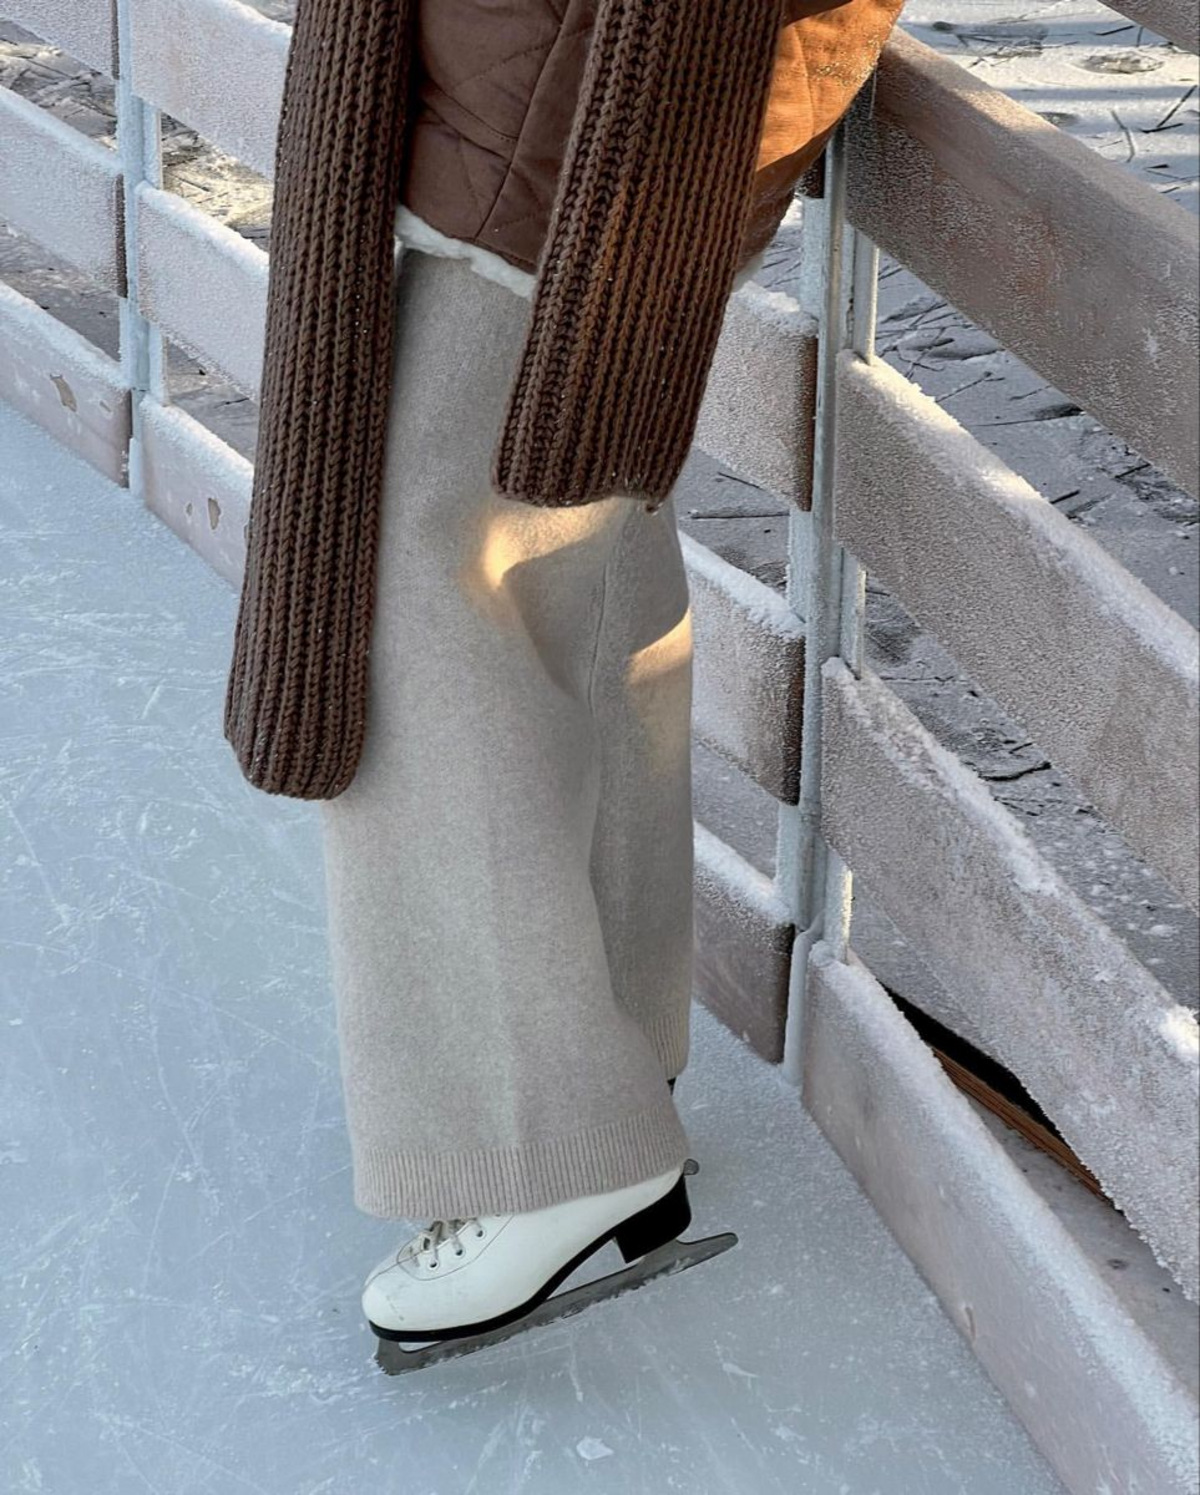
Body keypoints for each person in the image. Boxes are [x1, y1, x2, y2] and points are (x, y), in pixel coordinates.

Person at [222, 0, 906, 1359]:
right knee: (567, 595)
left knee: (420, 635)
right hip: (566, 119)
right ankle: (607, 1077)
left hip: (570, 128)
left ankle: (546, 1151)